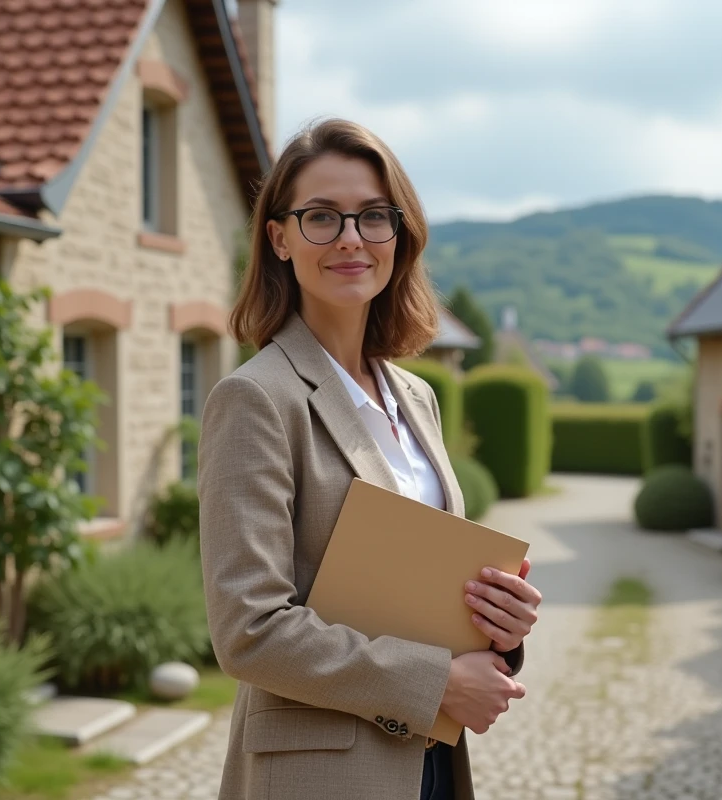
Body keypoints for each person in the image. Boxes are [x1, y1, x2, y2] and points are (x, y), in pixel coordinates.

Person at [197, 118, 544, 800]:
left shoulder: (416, 398)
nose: (351, 237)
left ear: (398, 234)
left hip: (432, 764)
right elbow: (249, 630)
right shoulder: (255, 399)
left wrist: (498, 624)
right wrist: (437, 682)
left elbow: (416, 589)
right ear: (280, 238)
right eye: (322, 216)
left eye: (373, 216)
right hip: (319, 775)